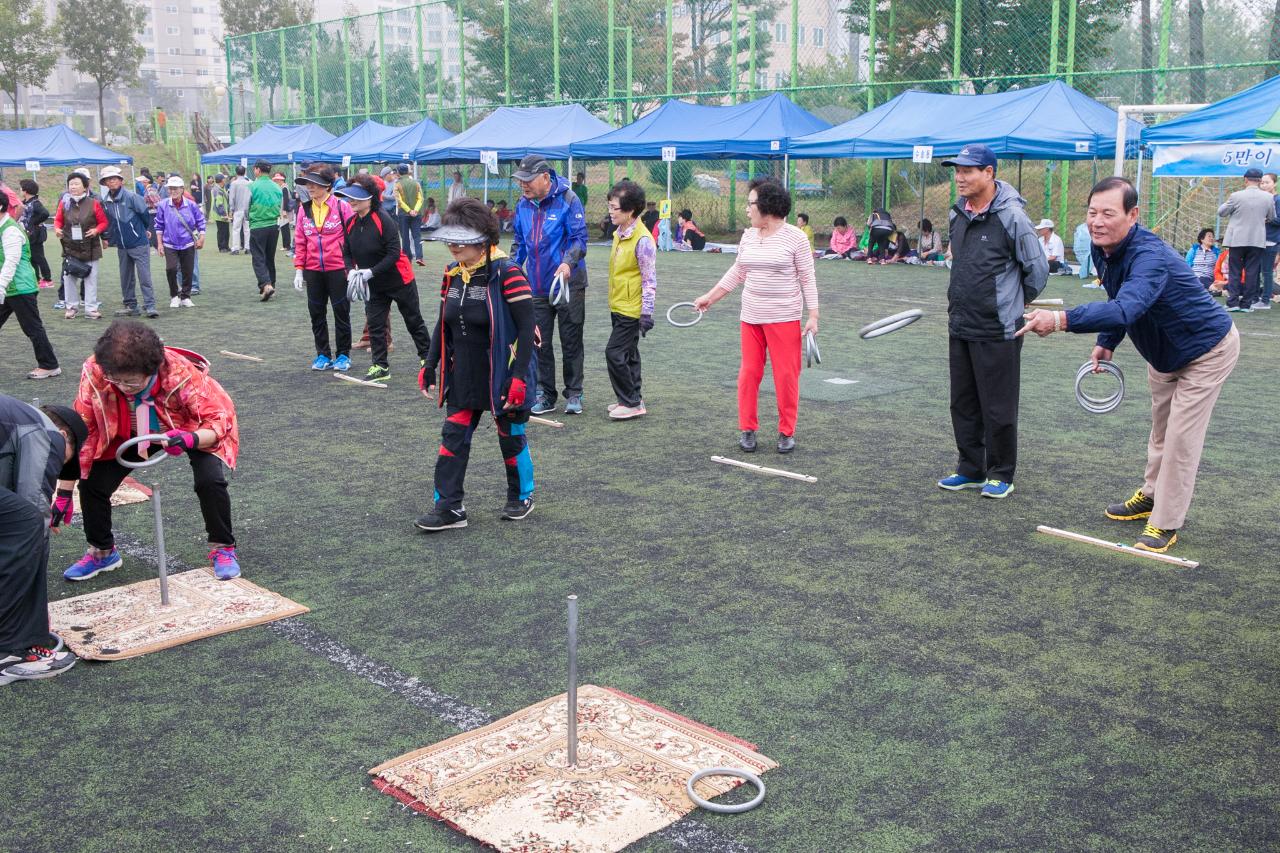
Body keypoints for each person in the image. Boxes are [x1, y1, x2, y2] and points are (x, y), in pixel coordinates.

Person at [1018, 177, 1238, 553]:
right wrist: (1107, 342)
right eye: (1092, 213)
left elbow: (1128, 306)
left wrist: (1059, 321)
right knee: (1161, 433)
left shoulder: (1150, 256)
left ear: (1133, 215)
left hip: (1206, 351)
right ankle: (1152, 494)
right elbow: (1117, 297)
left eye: (1108, 213)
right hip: (1163, 354)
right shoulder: (1106, 249)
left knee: (1181, 440)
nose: (1097, 221)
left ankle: (1165, 523)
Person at [61, 320, 242, 581]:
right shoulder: (96, 370)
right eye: (116, 380)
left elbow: (218, 419)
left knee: (210, 480)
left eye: (131, 382)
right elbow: (83, 429)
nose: (123, 387)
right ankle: (102, 551)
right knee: (92, 484)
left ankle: (223, 548)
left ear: (152, 369)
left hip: (189, 427)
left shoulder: (179, 372)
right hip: (128, 429)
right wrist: (64, 491)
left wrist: (190, 439)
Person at [416, 198, 537, 531]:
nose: (453, 245)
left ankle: (522, 495)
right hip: (464, 373)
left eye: (462, 238)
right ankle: (449, 508)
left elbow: (528, 328)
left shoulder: (507, 272)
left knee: (510, 435)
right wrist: (430, 365)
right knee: (452, 436)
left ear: (483, 238)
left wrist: (519, 377)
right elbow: (444, 322)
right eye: (451, 238)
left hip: (502, 373)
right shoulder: (452, 274)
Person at [936, 143, 1047, 499]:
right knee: (963, 402)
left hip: (1000, 326)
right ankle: (970, 468)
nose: (960, 177)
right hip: (961, 323)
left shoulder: (1012, 216)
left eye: (968, 171)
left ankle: (1001, 472)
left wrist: (1016, 301)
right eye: (957, 171)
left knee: (997, 404)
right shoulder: (957, 214)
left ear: (989, 173)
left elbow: (1038, 269)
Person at [693, 178, 818, 454]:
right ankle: (747, 429)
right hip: (750, 315)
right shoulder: (748, 236)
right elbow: (738, 271)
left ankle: (787, 432)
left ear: (767, 206)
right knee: (748, 373)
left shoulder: (795, 237)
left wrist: (813, 315)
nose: (747, 209)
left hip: (784, 317)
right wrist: (709, 297)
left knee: (786, 375)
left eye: (751, 204)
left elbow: (808, 277)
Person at [0, 396, 84, 683]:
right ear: (63, 438)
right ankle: (14, 652)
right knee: (28, 526)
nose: (55, 469)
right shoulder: (46, 432)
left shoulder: (13, 419)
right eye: (60, 460)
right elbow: (33, 506)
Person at [511, 153, 589, 416]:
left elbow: (579, 239)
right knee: (539, 342)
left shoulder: (569, 199)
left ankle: (574, 392)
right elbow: (519, 243)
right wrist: (510, 269)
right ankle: (546, 394)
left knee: (571, 339)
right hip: (536, 286)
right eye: (520, 180)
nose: (523, 185)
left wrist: (568, 263)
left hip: (569, 284)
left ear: (545, 177)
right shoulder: (523, 204)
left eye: (528, 180)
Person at [336, 175, 431, 383]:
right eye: (349, 197)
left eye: (356, 197)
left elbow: (394, 252)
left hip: (399, 279)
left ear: (370, 197)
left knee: (413, 320)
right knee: (376, 325)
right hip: (374, 285)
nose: (351, 201)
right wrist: (350, 270)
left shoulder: (383, 219)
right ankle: (380, 366)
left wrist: (371, 271)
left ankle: (427, 358)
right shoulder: (351, 222)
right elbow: (346, 252)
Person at [603, 180, 657, 420]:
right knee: (629, 354)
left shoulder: (643, 240)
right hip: (618, 304)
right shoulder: (620, 233)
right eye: (610, 206)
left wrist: (646, 312)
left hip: (631, 309)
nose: (610, 212)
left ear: (630, 210)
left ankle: (631, 402)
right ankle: (632, 398)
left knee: (614, 353)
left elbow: (649, 280)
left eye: (615, 208)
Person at [294, 164, 354, 372]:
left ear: (327, 185)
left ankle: (344, 355)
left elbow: (351, 238)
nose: (310, 187)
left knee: (341, 312)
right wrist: (299, 268)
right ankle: (322, 354)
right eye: (308, 183)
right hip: (313, 270)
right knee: (316, 313)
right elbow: (300, 240)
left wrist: (352, 267)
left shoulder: (341, 207)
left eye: (315, 183)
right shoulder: (304, 208)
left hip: (338, 269)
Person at [0, 189, 60, 379]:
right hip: (8, 288)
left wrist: (0, 287)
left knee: (32, 328)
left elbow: (11, 261)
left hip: (20, 287)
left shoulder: (10, 230)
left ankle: (49, 365)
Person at [99, 166, 158, 319]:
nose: (111, 181)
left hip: (139, 243)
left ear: (121, 181)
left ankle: (150, 305)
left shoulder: (132, 196)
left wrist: (140, 230)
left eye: (114, 178)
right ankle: (131, 305)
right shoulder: (106, 201)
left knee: (144, 276)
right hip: (122, 246)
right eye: (108, 179)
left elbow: (145, 216)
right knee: (125, 277)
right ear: (105, 183)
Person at [1216, 167, 1276, 312]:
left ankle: (1233, 303)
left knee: (1235, 271)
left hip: (1237, 239)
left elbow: (1221, 212)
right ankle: (1247, 304)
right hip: (1257, 240)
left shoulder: (1236, 196)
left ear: (1245, 180)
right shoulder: (1268, 197)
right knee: (1252, 272)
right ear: (1260, 180)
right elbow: (1272, 217)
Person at [53, 172, 108, 320]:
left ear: (85, 187)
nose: (73, 187)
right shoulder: (64, 203)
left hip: (90, 246)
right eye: (71, 184)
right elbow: (58, 220)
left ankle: (91, 309)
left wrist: (96, 230)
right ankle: (71, 308)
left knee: (91, 279)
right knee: (69, 278)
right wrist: (57, 229)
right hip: (70, 247)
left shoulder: (93, 203)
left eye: (77, 184)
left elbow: (103, 222)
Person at [153, 175, 206, 309]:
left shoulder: (192, 205)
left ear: (182, 189)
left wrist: (202, 237)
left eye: (176, 188)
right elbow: (158, 226)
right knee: (171, 269)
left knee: (187, 270)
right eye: (170, 188)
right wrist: (159, 244)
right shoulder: (163, 205)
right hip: (169, 243)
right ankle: (174, 296)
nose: (173, 191)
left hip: (188, 243)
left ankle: (186, 296)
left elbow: (200, 222)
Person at [247, 160, 283, 302]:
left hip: (258, 225)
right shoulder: (277, 187)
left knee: (258, 257)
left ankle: (265, 285)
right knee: (269, 257)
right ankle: (271, 285)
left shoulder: (252, 186)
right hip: (273, 225)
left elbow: (246, 206)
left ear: (257, 170)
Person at [18, 179, 52, 288]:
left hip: (36, 235)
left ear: (25, 191)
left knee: (39, 257)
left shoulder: (35, 203)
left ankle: (48, 280)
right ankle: (36, 279)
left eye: (21, 188)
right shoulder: (25, 202)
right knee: (31, 257)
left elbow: (45, 213)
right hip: (28, 235)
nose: (20, 190)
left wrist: (33, 222)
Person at [394, 164, 424, 265]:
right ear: (408, 172)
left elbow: (399, 200)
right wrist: (415, 210)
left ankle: (407, 258)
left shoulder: (397, 184)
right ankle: (419, 257)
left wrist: (408, 210)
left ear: (398, 172)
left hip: (403, 214)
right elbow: (421, 198)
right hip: (417, 214)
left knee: (405, 237)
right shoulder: (416, 183)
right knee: (417, 236)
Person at [1260, 172, 1280, 307]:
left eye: (1267, 182)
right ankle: (1255, 297)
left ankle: (1265, 300)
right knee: (1256, 270)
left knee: (1267, 271)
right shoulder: (1260, 199)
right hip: (1256, 239)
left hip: (1271, 240)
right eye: (1262, 182)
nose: (1264, 185)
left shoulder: (1277, 199)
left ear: (1275, 183)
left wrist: (1266, 219)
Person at [228, 165, 251, 254]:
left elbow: (232, 197)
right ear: (244, 172)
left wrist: (231, 209)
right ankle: (248, 248)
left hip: (237, 209)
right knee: (247, 229)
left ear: (236, 173)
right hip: (247, 209)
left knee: (236, 229)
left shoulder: (234, 183)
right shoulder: (249, 183)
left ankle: (235, 248)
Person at [273, 172, 295, 257]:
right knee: (283, 227)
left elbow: (286, 200)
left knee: (284, 227)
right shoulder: (282, 187)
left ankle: (287, 246)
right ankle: (286, 245)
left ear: (281, 180)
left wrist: (284, 211)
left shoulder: (284, 188)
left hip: (284, 211)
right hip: (283, 211)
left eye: (278, 180)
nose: (277, 181)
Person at [209, 173, 231, 252]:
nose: (225, 180)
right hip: (219, 214)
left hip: (223, 213)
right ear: (221, 180)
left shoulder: (221, 188)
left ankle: (226, 246)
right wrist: (224, 214)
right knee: (222, 231)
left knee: (226, 231)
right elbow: (219, 204)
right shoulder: (217, 190)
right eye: (224, 178)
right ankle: (222, 247)